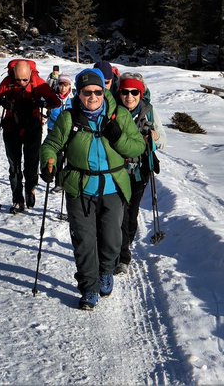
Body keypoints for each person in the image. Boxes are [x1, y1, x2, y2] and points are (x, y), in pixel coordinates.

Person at [40, 67, 146, 310]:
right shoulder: (69, 118)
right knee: (85, 241)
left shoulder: (119, 115)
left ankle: (106, 270)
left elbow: (137, 148)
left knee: (111, 239)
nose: (93, 97)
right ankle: (89, 286)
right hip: (80, 188)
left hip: (113, 187)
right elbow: (51, 144)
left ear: (104, 91)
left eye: (98, 92)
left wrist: (117, 136)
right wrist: (49, 162)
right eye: (87, 92)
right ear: (79, 94)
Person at [0, 59, 61, 213]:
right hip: (11, 128)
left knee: (31, 164)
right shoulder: (8, 81)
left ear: (30, 73)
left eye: (25, 79)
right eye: (18, 79)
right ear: (13, 74)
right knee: (14, 167)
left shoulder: (38, 82)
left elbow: (56, 102)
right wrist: (2, 101)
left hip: (32, 128)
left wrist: (43, 102)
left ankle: (30, 189)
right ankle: (17, 200)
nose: (21, 83)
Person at [112, 72, 165, 274]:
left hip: (139, 171)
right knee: (116, 213)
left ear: (141, 93)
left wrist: (155, 137)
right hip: (115, 170)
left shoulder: (149, 112)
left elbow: (163, 141)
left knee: (130, 214)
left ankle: (123, 254)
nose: (129, 96)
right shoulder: (113, 110)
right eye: (125, 91)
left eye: (134, 92)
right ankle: (118, 253)